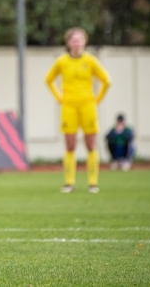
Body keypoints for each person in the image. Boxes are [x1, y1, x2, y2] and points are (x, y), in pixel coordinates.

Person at [45, 27, 111, 194]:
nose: (76, 43)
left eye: (79, 40)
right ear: (68, 43)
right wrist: (59, 98)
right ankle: (69, 183)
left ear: (84, 42)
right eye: (73, 40)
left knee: (90, 145)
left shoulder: (90, 61)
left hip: (87, 106)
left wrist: (97, 100)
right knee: (70, 145)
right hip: (69, 107)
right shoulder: (62, 62)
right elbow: (49, 80)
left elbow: (106, 81)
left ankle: (93, 183)